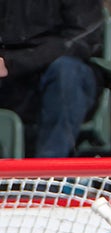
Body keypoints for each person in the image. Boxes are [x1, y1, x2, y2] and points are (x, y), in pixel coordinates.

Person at [0, 0, 103, 157]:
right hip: (9, 78)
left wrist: (13, 63)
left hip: (56, 74)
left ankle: (49, 174)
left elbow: (82, 39)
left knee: (67, 72)